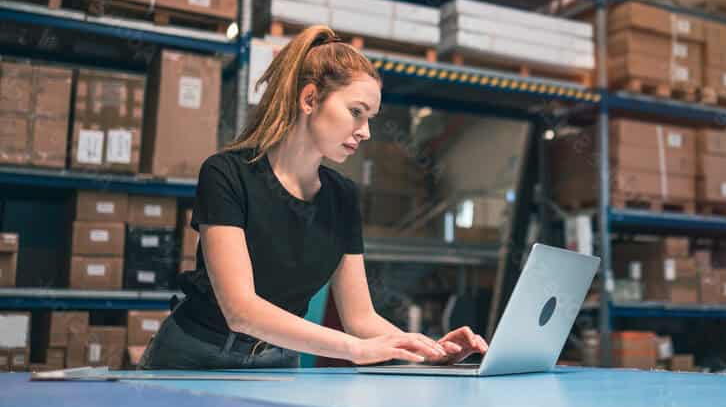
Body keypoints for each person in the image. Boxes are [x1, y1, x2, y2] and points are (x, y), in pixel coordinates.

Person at [140, 25, 489, 369]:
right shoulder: (226, 174)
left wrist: (431, 352)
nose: (365, 131)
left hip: (275, 363)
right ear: (310, 99)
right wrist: (355, 350)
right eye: (356, 112)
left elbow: (361, 318)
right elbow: (241, 311)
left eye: (370, 118)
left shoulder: (342, 197)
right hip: (194, 358)